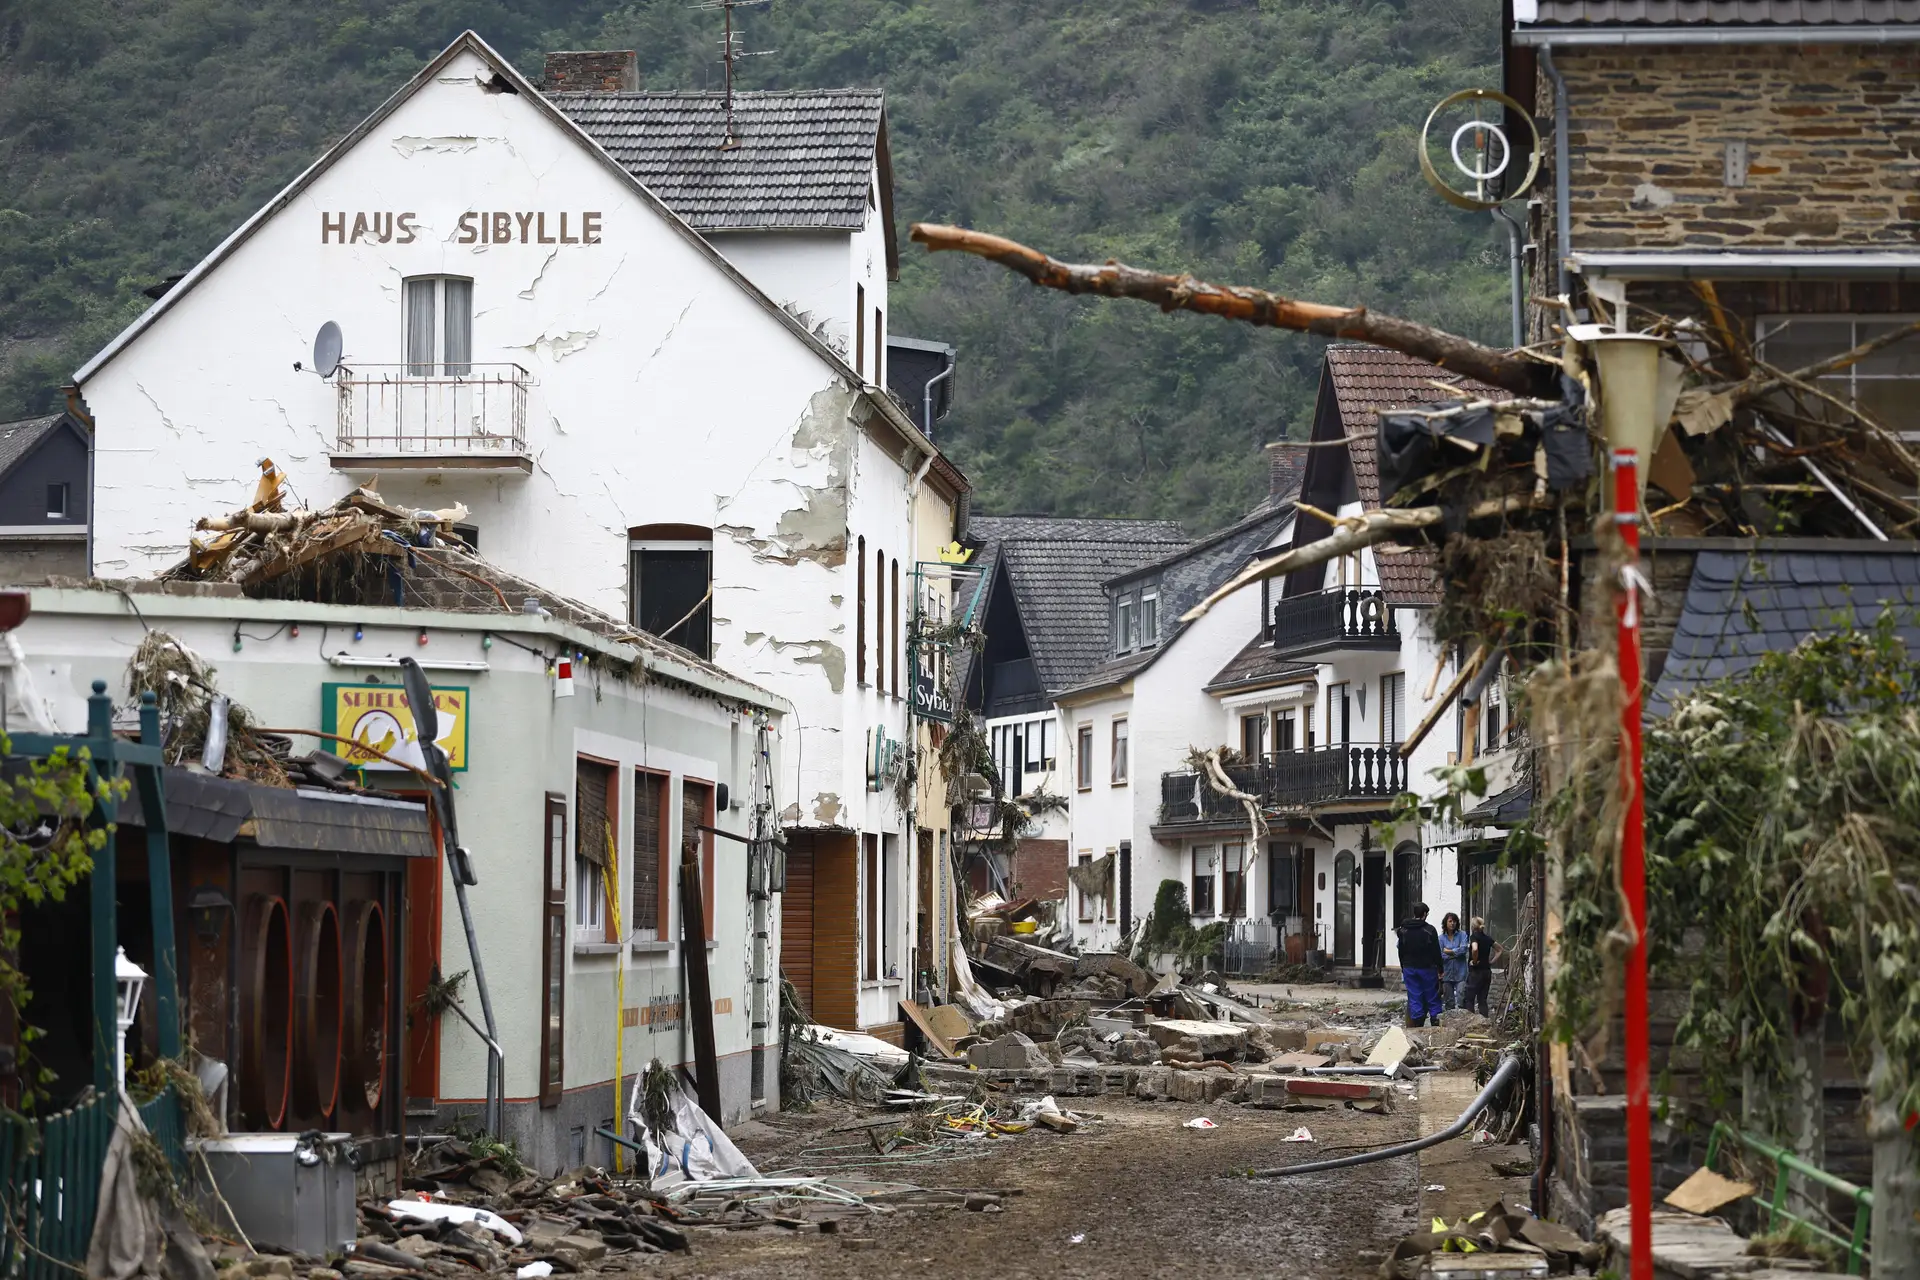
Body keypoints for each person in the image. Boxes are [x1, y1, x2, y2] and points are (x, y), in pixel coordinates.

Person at [1393, 902, 1444, 1027]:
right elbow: (1436, 951)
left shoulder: (1403, 930)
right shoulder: (1429, 930)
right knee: (1431, 994)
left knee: (1414, 995)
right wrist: (1440, 968)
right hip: (1427, 968)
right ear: (1425, 914)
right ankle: (1435, 1018)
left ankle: (1417, 1021)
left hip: (1409, 968)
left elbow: (1401, 950)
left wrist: (1403, 967)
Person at [1463, 915, 1503, 1017]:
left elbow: (1475, 949)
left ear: (1473, 926)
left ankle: (1470, 1023)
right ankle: (1484, 1024)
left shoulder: (1474, 937)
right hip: (1487, 972)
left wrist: (1475, 961)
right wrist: (1491, 961)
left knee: (1469, 999)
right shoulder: (1488, 938)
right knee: (1482, 1000)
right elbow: (1500, 950)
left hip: (1476, 972)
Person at [1438, 912, 1470, 1011]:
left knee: (1462, 998)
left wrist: (1449, 951)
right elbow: (1440, 955)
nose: (1452, 923)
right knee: (1449, 1002)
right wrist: (1456, 953)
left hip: (1461, 972)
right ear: (1445, 923)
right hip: (1447, 973)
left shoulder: (1462, 935)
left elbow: (1464, 949)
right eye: (1450, 921)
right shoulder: (1441, 938)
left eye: (1454, 921)